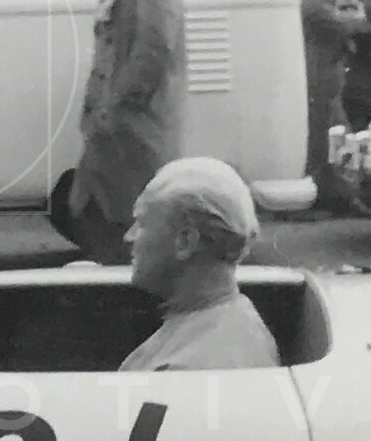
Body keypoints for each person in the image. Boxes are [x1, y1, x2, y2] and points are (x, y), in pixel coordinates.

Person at [59, 0, 187, 266]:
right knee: (92, 204)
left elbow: (156, 47)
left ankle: (137, 274)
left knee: (135, 209)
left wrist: (123, 101)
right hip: (111, 119)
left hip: (136, 121)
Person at [119, 157, 281, 372]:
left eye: (141, 223)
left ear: (185, 241)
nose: (129, 237)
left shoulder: (185, 369)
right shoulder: (240, 321)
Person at [294, 0, 371, 218]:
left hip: (304, 52)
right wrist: (352, 24)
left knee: (322, 126)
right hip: (322, 55)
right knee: (333, 127)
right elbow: (316, 10)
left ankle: (335, 191)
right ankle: (340, 193)